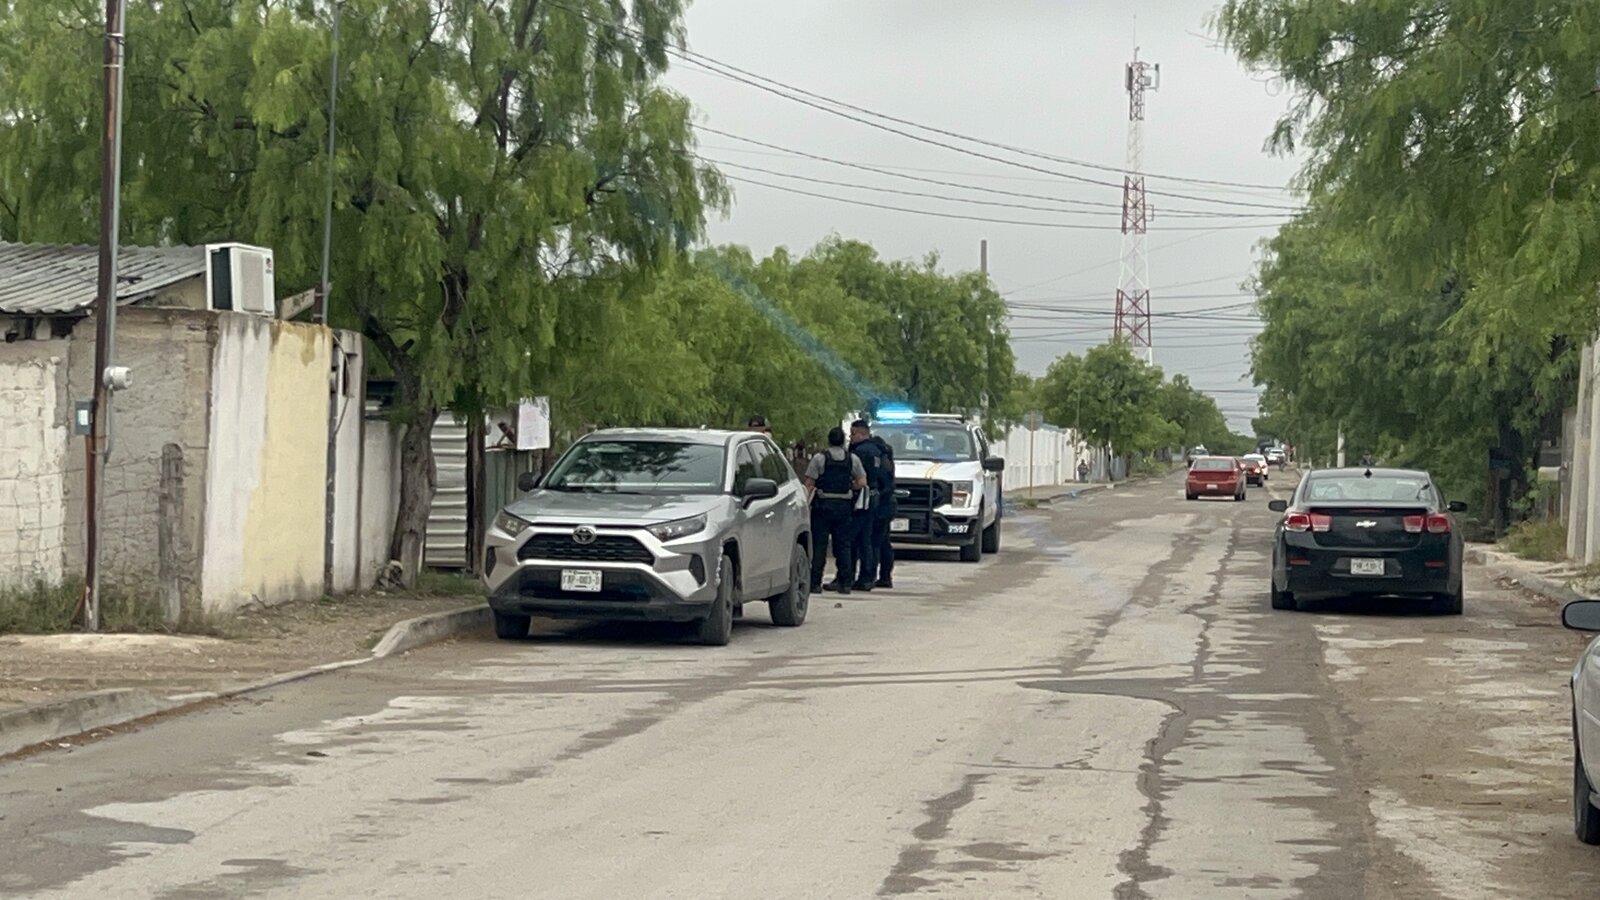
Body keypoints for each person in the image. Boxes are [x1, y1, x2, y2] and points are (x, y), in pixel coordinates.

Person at [804, 427, 867, 594]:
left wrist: (805, 503)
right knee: (843, 545)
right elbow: (862, 482)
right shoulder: (852, 459)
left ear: (829, 440)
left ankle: (815, 583)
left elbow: (809, 483)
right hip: (844, 506)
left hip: (823, 506)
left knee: (820, 546)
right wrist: (849, 488)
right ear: (843, 440)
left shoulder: (819, 458)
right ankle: (845, 583)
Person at [848, 419, 887, 592]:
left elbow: (856, 476)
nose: (851, 437)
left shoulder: (859, 452)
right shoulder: (878, 450)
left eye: (853, 434)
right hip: (874, 495)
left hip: (861, 496)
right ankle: (868, 576)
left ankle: (855, 577)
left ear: (861, 433)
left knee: (856, 539)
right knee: (868, 538)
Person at [867, 426, 897, 589]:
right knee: (884, 541)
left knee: (875, 542)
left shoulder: (879, 461)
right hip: (889, 504)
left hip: (881, 505)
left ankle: (872, 575)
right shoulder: (888, 459)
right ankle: (885, 576)